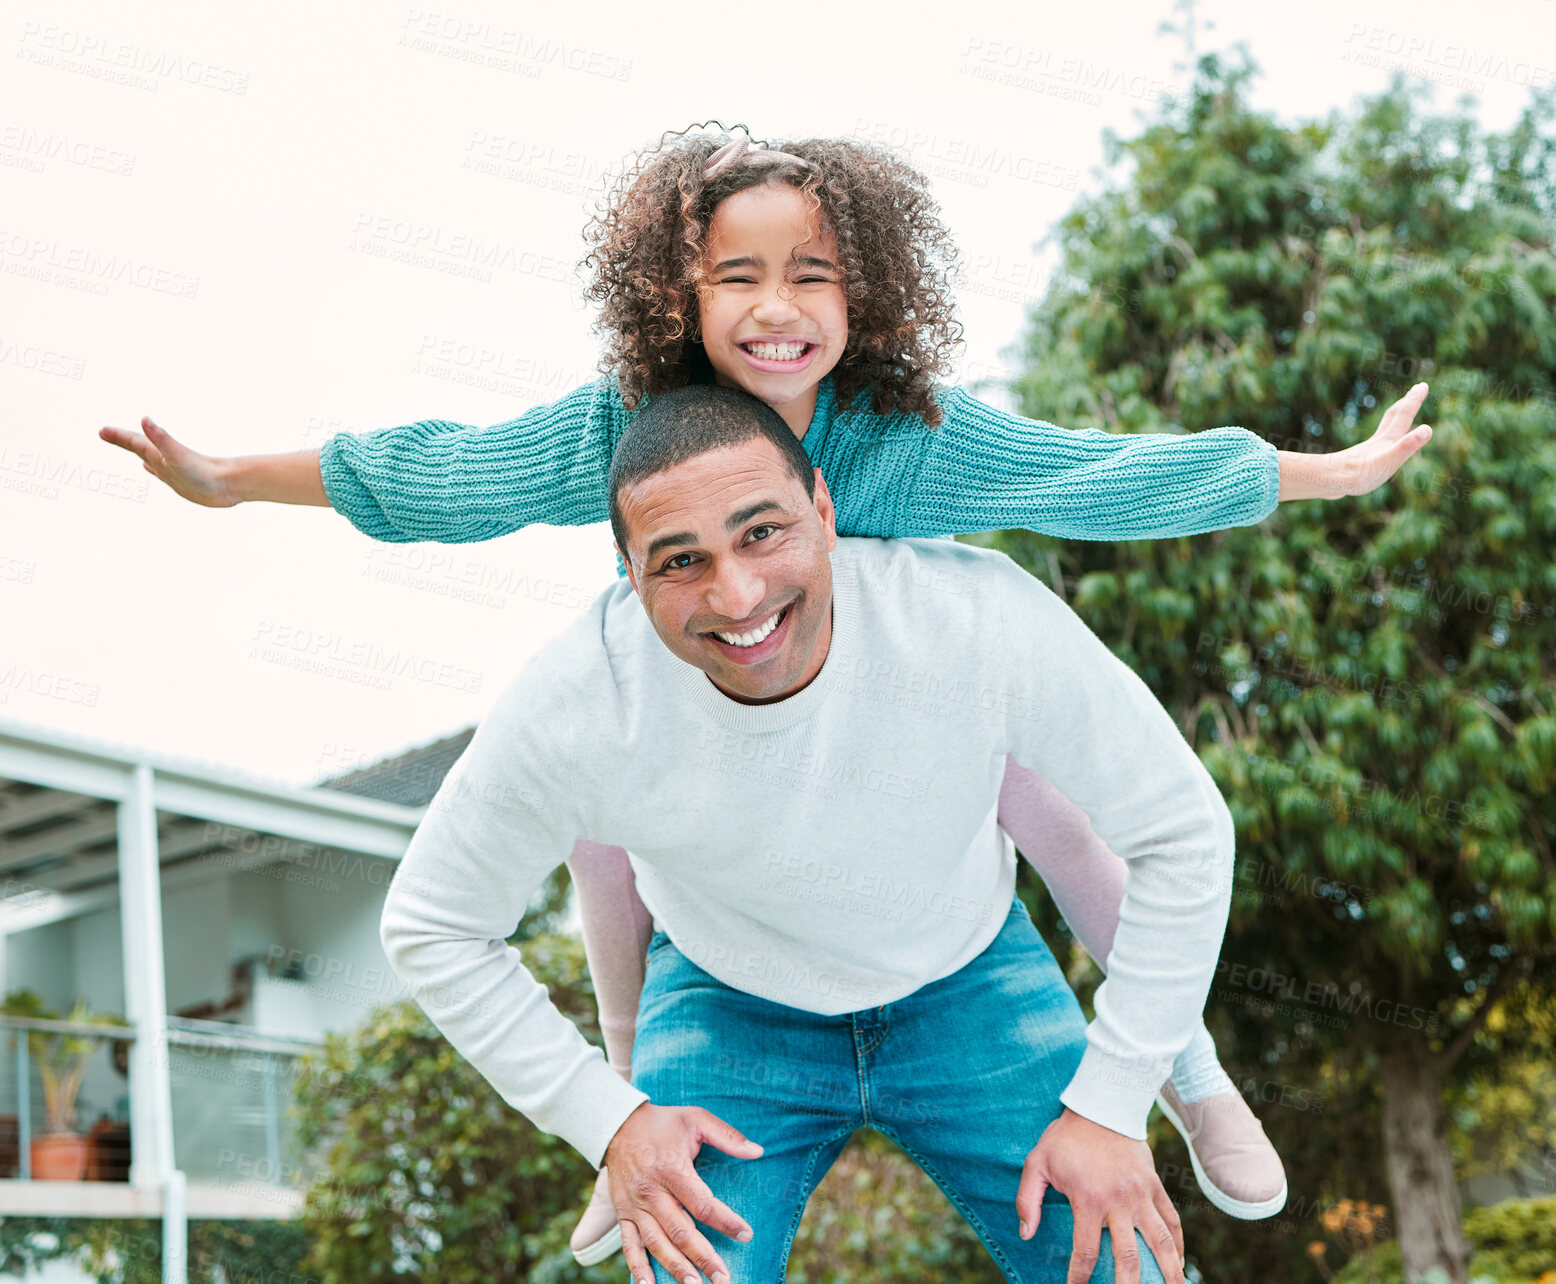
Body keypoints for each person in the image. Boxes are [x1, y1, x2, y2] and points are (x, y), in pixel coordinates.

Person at [100, 126, 1432, 1257]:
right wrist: (233, 480)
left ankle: (1191, 1077)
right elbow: (448, 476)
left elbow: (1095, 473)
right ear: (680, 298)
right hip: (722, 767)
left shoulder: (912, 437)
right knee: (605, 830)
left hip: (922, 721)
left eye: (811, 275)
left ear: (868, 300)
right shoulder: (625, 429)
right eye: (735, 276)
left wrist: (1316, 472)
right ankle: (634, 1096)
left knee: (1066, 814)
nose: (774, 306)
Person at [382, 383, 1249, 1283]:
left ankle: (1202, 1089)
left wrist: (1111, 1104)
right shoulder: (578, 703)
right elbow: (433, 923)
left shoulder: (972, 617)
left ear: (826, 510)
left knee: (1123, 1268)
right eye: (681, 560)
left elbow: (1183, 829)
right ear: (628, 573)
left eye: (763, 532)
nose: (738, 592)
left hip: (968, 976)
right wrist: (607, 1117)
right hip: (729, 1002)